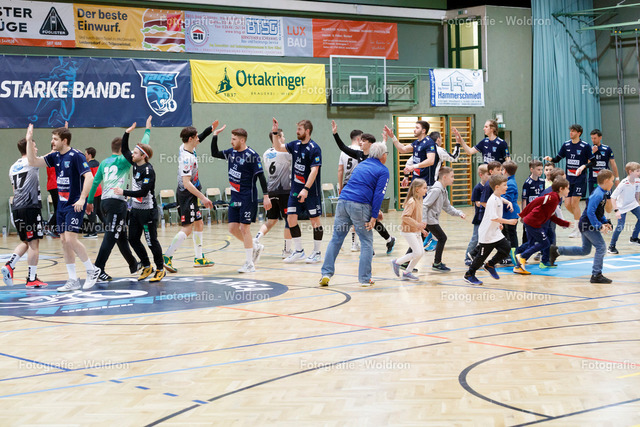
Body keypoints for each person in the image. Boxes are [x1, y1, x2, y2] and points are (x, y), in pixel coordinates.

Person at [26, 124, 99, 292]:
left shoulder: (76, 156)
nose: (52, 142)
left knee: (71, 239)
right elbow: (32, 161)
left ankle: (91, 270)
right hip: (61, 205)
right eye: (52, 139)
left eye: (55, 139)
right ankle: (73, 279)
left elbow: (89, 177)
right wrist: (29, 141)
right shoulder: (55, 156)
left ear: (64, 141)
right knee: (64, 241)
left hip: (74, 204)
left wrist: (82, 198)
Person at [319, 142, 390, 287]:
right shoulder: (383, 170)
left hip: (343, 202)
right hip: (360, 205)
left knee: (336, 239)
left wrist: (375, 211)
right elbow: (378, 195)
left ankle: (326, 273)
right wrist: (373, 217)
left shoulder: (361, 165)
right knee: (366, 241)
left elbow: (359, 186)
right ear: (383, 155)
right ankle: (365, 278)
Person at [210, 123, 271, 273]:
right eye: (231, 139)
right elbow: (214, 153)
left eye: (234, 139)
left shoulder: (252, 155)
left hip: (247, 197)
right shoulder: (231, 153)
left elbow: (261, 177)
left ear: (242, 140)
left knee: (244, 228)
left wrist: (266, 196)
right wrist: (215, 136)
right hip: (235, 196)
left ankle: (249, 264)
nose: (231, 141)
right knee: (232, 228)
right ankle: (254, 246)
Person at [113, 121, 165, 282]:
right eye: (133, 153)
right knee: (133, 239)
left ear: (143, 156)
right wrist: (127, 132)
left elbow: (143, 192)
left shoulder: (148, 170)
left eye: (135, 153)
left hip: (148, 211)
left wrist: (123, 192)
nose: (132, 155)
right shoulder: (135, 163)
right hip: (135, 210)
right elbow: (125, 149)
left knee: (151, 241)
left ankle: (160, 268)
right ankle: (147, 265)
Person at [332, 121, 396, 254]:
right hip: (359, 192)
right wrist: (335, 134)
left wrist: (385, 140)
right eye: (360, 140)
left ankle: (374, 244)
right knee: (365, 220)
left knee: (369, 219)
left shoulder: (377, 157)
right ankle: (382, 242)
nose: (360, 142)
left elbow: (382, 150)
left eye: (363, 141)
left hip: (370, 192)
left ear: (370, 144)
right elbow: (343, 147)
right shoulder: (359, 154)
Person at [86, 135, 140, 285]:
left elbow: (95, 182)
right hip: (116, 202)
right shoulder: (123, 160)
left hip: (104, 202)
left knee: (120, 235)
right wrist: (148, 130)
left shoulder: (104, 162)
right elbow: (142, 149)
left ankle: (133, 264)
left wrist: (90, 201)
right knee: (111, 235)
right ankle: (98, 268)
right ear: (123, 149)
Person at [163, 123, 215, 273]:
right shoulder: (187, 158)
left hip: (191, 194)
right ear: (191, 139)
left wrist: (210, 129)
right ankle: (167, 256)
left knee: (199, 224)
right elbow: (186, 183)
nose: (199, 139)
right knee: (187, 228)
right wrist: (203, 198)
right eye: (196, 137)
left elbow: (200, 138)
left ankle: (198, 258)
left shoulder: (186, 147)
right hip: (187, 195)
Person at [270, 117, 323, 264]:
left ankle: (317, 252)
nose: (297, 131)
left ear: (307, 131)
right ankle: (299, 251)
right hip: (295, 190)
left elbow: (314, 171)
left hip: (310, 192)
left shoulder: (314, 148)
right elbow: (278, 147)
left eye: (299, 129)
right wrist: (275, 132)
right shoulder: (295, 145)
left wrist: (306, 189)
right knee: (291, 218)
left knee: (315, 221)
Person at [550, 169, 615, 284]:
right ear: (605, 181)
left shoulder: (602, 193)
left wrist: (605, 222)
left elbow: (598, 212)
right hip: (587, 225)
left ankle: (557, 250)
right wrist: (599, 226)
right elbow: (590, 212)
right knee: (601, 247)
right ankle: (596, 275)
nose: (612, 183)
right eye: (611, 181)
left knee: (585, 250)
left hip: (586, 224)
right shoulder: (598, 194)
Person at [403, 130, 460, 251]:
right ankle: (431, 238)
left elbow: (408, 163)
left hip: (421, 187)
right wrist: (458, 144)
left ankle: (426, 237)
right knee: (432, 213)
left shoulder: (421, 149)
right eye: (441, 139)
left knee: (425, 213)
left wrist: (406, 177)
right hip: (432, 186)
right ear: (438, 139)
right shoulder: (438, 150)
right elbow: (454, 157)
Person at [1, 136, 47, 288]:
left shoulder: (13, 167)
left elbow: (15, 190)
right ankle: (32, 278)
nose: (36, 149)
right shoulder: (32, 161)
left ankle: (10, 265)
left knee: (26, 241)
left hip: (17, 208)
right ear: (29, 148)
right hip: (30, 207)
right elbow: (52, 156)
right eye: (34, 146)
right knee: (34, 243)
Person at [463, 175, 518, 286]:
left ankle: (490, 265)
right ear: (497, 187)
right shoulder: (492, 200)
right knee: (481, 256)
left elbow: (501, 201)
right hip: (487, 233)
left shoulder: (498, 197)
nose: (507, 187)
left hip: (495, 232)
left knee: (506, 248)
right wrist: (509, 221)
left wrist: (508, 202)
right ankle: (469, 274)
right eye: (505, 185)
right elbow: (493, 217)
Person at [544, 124, 595, 238]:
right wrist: (550, 159)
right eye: (570, 131)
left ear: (579, 133)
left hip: (580, 179)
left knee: (574, 203)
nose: (571, 133)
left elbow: (593, 162)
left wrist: (583, 166)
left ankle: (578, 229)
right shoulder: (566, 145)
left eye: (573, 131)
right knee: (567, 204)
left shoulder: (585, 146)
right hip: (569, 180)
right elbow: (557, 158)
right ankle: (582, 221)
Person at [514, 178, 571, 275]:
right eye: (567, 188)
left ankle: (518, 266)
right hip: (533, 222)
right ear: (561, 189)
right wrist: (523, 213)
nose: (569, 190)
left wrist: (564, 223)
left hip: (532, 222)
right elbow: (536, 201)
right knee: (545, 243)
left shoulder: (557, 199)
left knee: (532, 244)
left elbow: (551, 216)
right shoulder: (552, 197)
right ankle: (522, 256)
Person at [254, 128, 293, 258]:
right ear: (278, 138)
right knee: (289, 220)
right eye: (283, 136)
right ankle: (287, 250)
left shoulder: (266, 153)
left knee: (271, 220)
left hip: (270, 191)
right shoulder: (286, 153)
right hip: (284, 191)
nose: (285, 139)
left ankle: (256, 239)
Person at [422, 166, 466, 272]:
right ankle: (437, 263)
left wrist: (459, 213)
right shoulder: (437, 190)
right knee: (442, 238)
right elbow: (424, 205)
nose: (453, 179)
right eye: (452, 176)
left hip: (430, 219)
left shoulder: (443, 190)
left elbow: (447, 207)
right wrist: (423, 220)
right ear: (444, 177)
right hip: (429, 220)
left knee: (419, 240)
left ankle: (404, 263)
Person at [391, 178, 428, 281]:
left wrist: (421, 229)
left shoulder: (420, 200)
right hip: (408, 230)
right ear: (417, 189)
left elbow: (416, 218)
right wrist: (418, 224)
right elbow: (405, 216)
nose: (426, 190)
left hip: (416, 230)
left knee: (421, 253)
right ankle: (397, 262)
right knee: (417, 252)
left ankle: (407, 272)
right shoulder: (412, 201)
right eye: (424, 188)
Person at [388, 122, 437, 188]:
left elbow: (430, 161)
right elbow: (402, 149)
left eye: (417, 128)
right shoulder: (416, 142)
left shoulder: (429, 142)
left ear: (423, 131)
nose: (414, 130)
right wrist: (393, 137)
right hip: (416, 180)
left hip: (426, 182)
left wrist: (414, 166)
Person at [338, 128, 363, 251]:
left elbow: (340, 170)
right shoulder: (361, 151)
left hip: (346, 184)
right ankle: (354, 243)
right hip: (357, 185)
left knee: (344, 215)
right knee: (356, 216)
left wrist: (340, 186)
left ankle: (340, 241)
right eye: (362, 139)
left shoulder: (343, 151)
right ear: (358, 139)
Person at [607, 162, 640, 254]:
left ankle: (634, 238)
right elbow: (613, 197)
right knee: (620, 226)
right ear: (630, 172)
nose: (639, 173)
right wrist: (616, 211)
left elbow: (637, 193)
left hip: (632, 204)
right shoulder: (623, 183)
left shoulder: (638, 180)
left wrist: (637, 204)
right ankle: (611, 246)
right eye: (637, 171)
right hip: (621, 207)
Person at [465, 164, 489, 265]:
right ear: (481, 175)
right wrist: (487, 204)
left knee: (485, 240)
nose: (490, 177)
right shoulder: (477, 188)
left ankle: (477, 257)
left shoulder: (490, 187)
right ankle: (467, 257)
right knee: (475, 238)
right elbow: (477, 203)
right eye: (488, 174)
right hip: (479, 217)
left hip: (488, 218)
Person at [521, 160, 545, 248]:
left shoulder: (542, 181)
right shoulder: (527, 183)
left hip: (539, 212)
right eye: (538, 169)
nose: (540, 172)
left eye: (541, 169)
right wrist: (523, 214)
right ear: (531, 169)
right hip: (530, 213)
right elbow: (524, 200)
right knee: (527, 231)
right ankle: (524, 249)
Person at [589, 129, 619, 194]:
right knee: (594, 198)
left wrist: (617, 178)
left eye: (595, 138)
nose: (593, 140)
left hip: (606, 179)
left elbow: (613, 163)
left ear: (600, 137)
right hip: (593, 179)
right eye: (592, 138)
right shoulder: (589, 149)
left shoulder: (607, 149)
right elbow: (586, 163)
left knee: (608, 198)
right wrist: (592, 152)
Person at [501, 161, 520, 262]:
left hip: (510, 213)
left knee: (511, 236)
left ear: (504, 171)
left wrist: (497, 195)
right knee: (506, 235)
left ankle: (514, 256)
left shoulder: (510, 183)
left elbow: (507, 199)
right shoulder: (508, 181)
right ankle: (507, 255)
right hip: (507, 213)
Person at [83, 146, 102, 238]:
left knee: (90, 212)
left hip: (91, 190)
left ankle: (92, 232)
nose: (85, 156)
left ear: (89, 155)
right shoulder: (98, 163)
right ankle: (111, 228)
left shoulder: (87, 165)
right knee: (99, 211)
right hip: (99, 189)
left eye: (85, 154)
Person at [45, 145, 59, 238]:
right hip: (55, 185)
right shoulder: (54, 157)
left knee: (58, 208)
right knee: (59, 208)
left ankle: (56, 229)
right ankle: (49, 226)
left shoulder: (47, 157)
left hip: (52, 185)